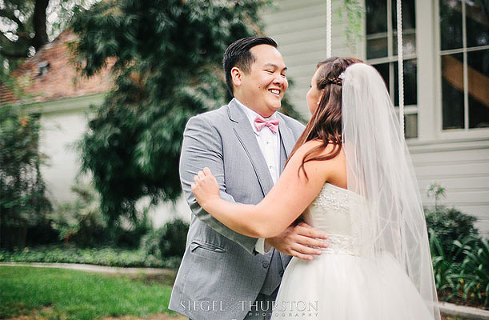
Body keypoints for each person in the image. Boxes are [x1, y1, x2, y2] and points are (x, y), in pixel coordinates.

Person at [191, 58, 440, 320]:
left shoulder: (320, 153)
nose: (307, 93)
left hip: (324, 281)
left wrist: (212, 201)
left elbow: (265, 223)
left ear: (323, 97)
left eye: (311, 86)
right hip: (380, 281)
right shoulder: (376, 162)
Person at [168, 37, 328, 320]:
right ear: (238, 75)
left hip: (289, 291)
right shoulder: (205, 128)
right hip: (222, 287)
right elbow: (203, 201)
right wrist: (271, 236)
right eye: (271, 71)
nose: (280, 80)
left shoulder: (301, 132)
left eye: (284, 73)